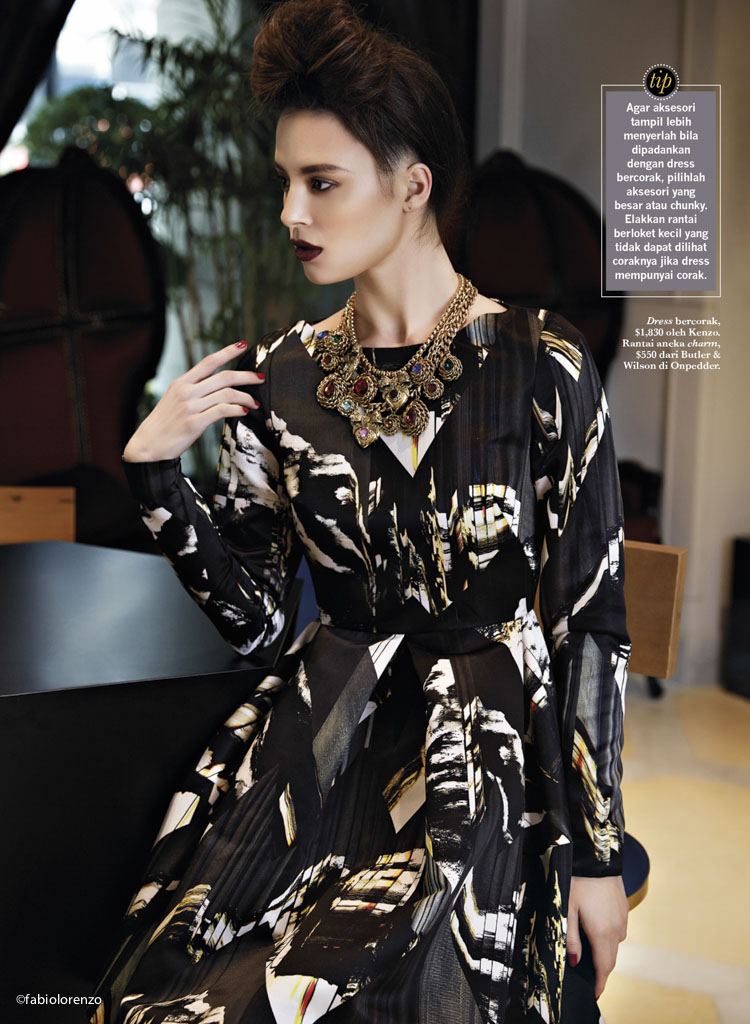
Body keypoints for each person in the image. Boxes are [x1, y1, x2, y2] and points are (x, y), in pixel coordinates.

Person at [91, 2, 630, 1021]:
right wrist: (157, 478)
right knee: (189, 999)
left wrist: (595, 857)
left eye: (322, 182)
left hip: (482, 753)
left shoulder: (543, 367)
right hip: (321, 737)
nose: (290, 211)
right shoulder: (282, 377)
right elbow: (256, 622)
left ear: (412, 184)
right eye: (285, 181)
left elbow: (588, 625)